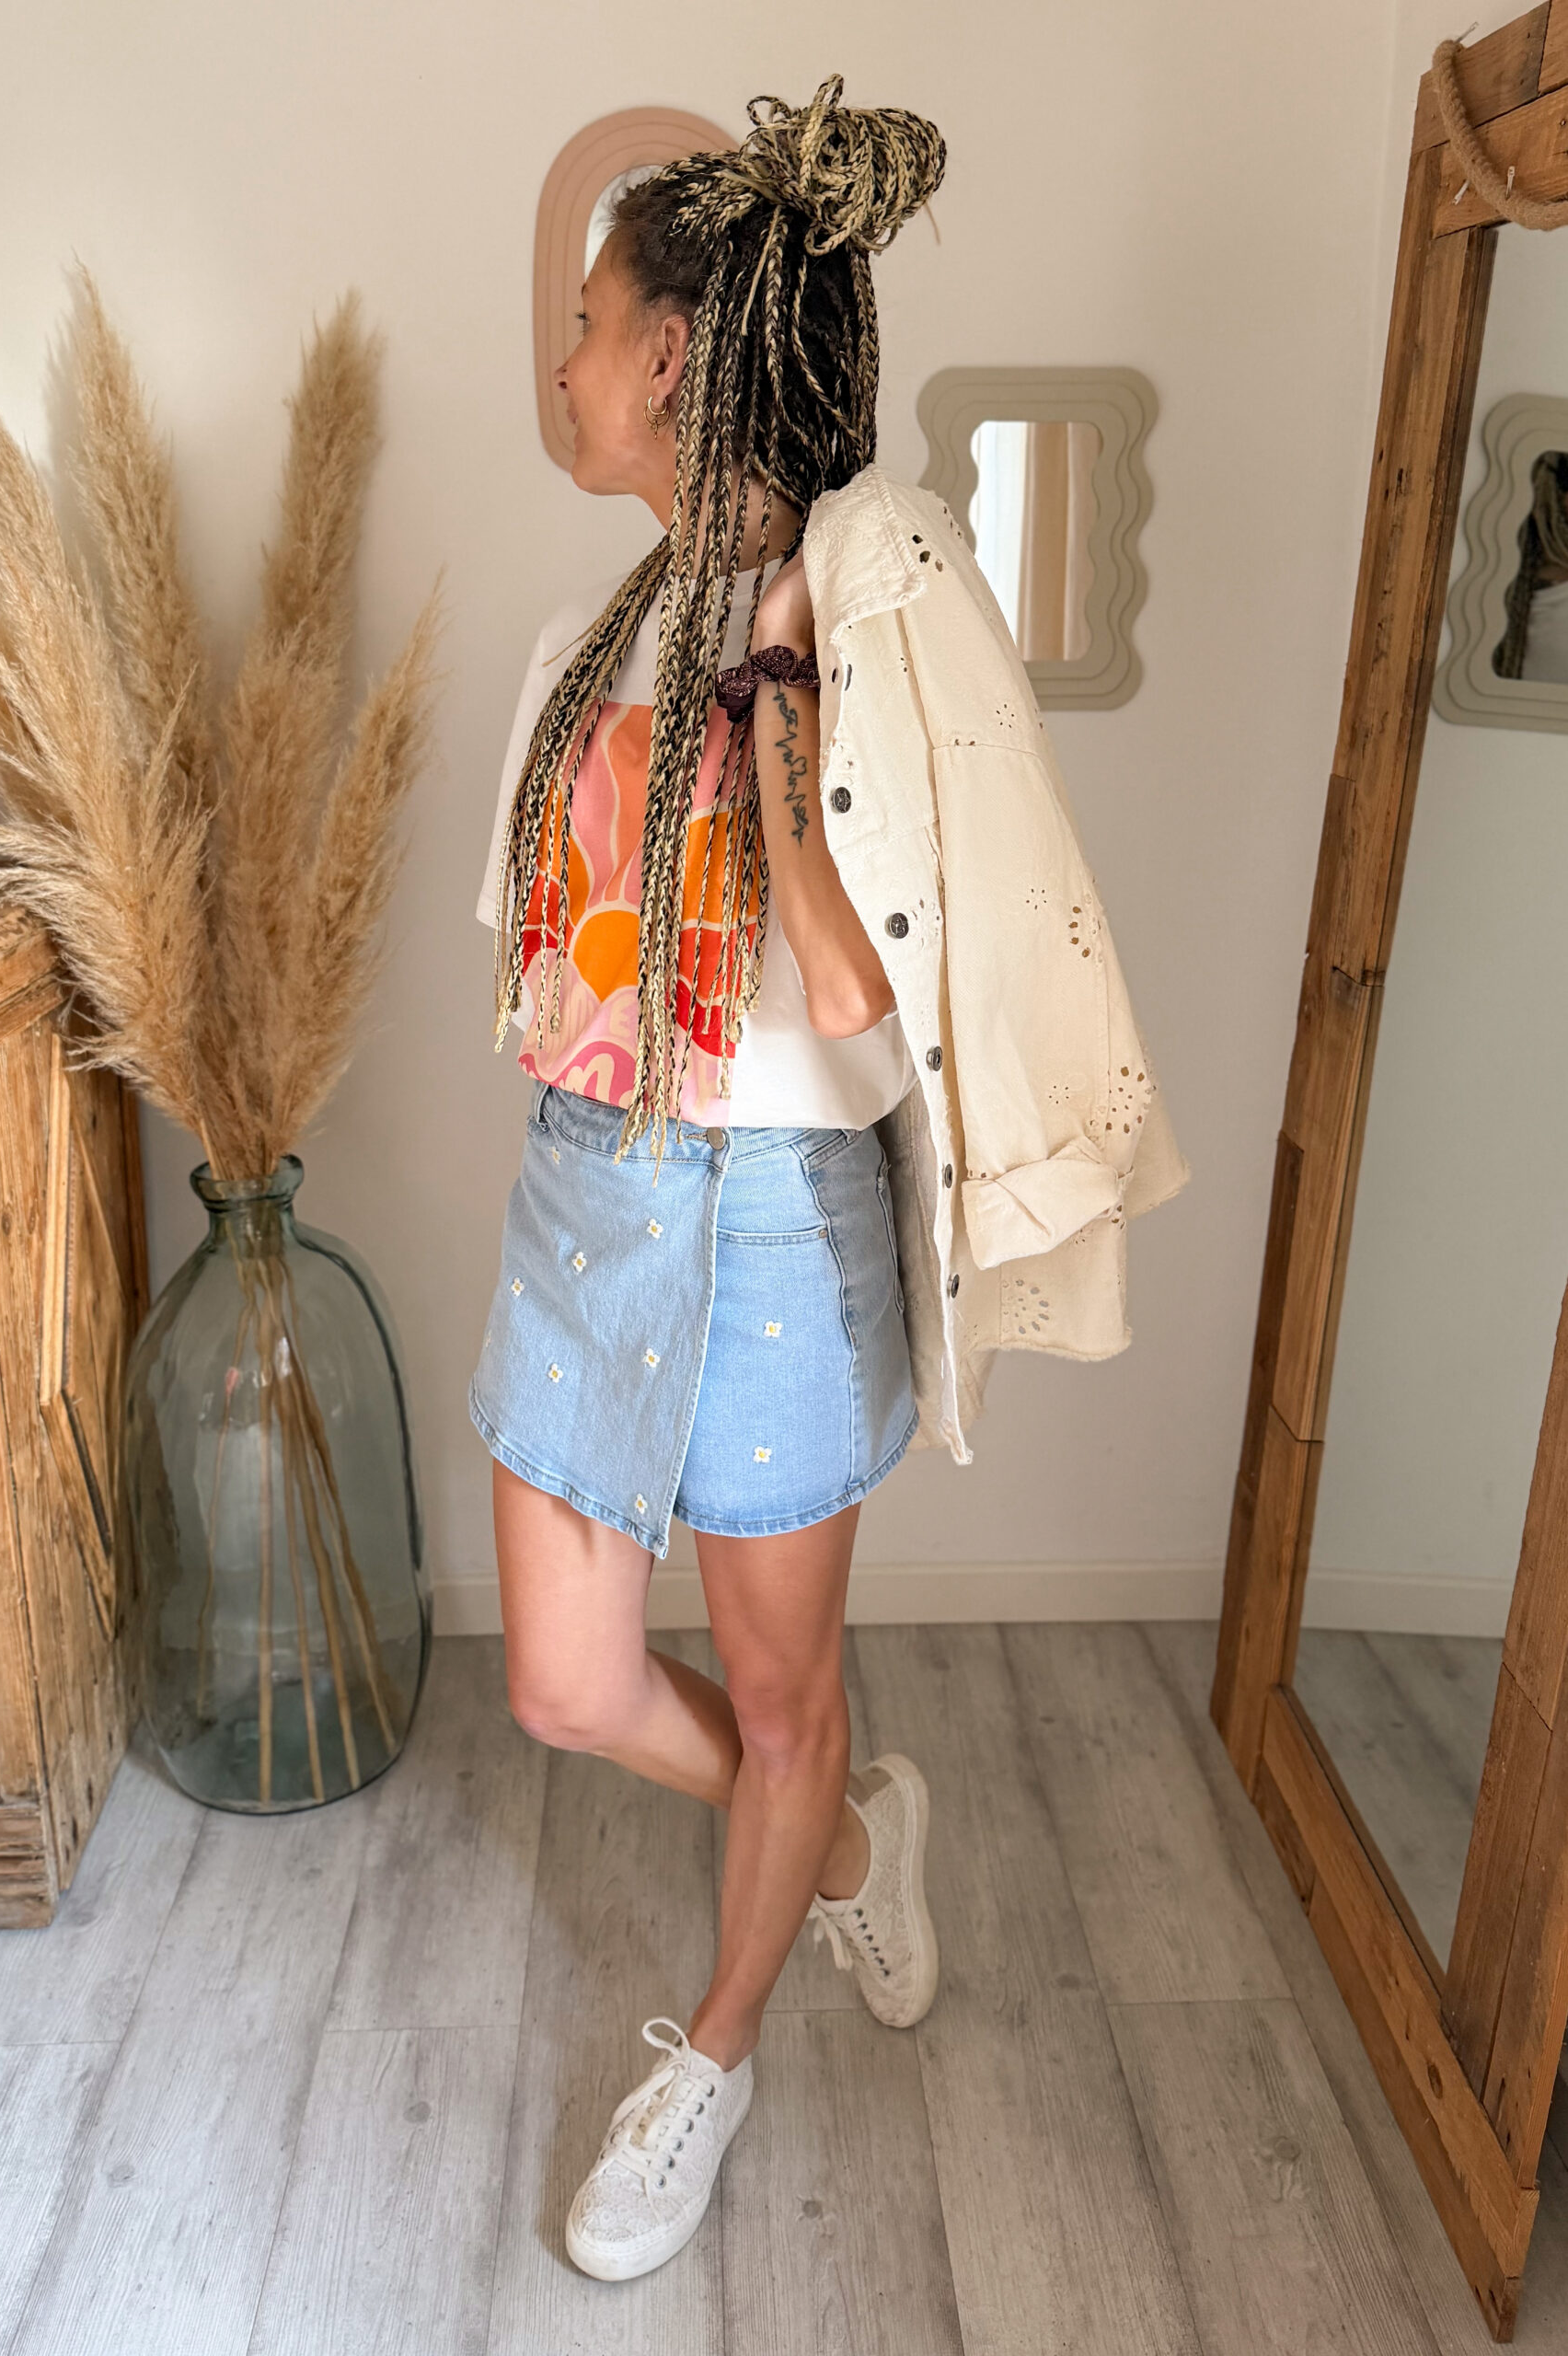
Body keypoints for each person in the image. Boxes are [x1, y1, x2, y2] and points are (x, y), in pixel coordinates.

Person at [468, 78, 947, 2282]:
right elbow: (541, 952)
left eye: (585, 324)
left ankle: (722, 2047)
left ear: (667, 353)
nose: (563, 364)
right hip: (590, 1180)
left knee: (773, 1695)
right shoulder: (601, 631)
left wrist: (779, 742)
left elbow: (860, 990)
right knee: (565, 1679)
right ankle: (840, 1837)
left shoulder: (847, 619)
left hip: (766, 1210)